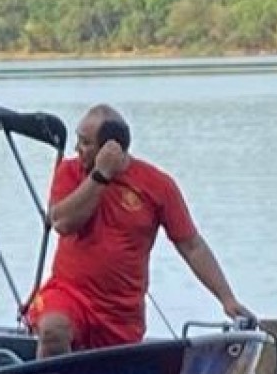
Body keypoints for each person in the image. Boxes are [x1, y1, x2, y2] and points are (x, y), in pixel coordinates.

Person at [26, 104, 255, 358]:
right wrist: (100, 176)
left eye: (85, 143)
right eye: (78, 140)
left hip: (120, 312)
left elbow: (191, 245)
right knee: (52, 330)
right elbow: (63, 223)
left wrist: (227, 299)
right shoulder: (70, 172)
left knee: (118, 360)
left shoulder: (157, 185)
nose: (77, 149)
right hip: (69, 293)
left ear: (111, 148)